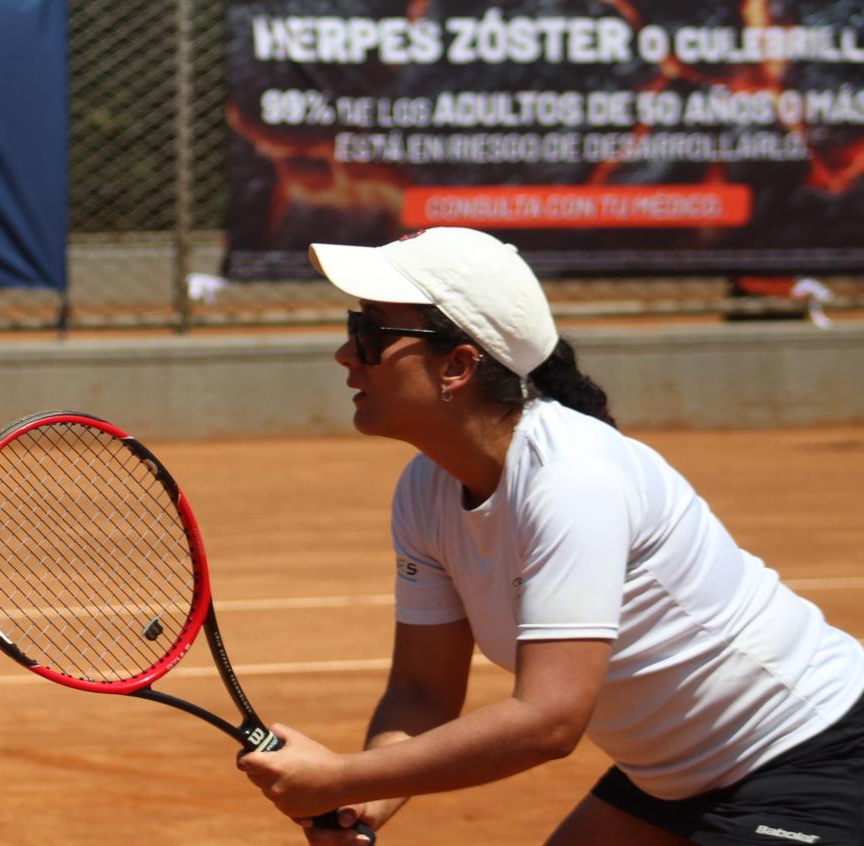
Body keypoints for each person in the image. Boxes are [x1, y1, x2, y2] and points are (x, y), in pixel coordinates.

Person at [236, 227, 864, 845]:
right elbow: (423, 692)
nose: (346, 355)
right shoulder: (426, 488)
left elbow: (548, 720)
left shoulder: (573, 478)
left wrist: (340, 775)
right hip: (668, 779)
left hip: (816, 754)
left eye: (371, 335)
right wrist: (359, 802)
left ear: (457, 366)